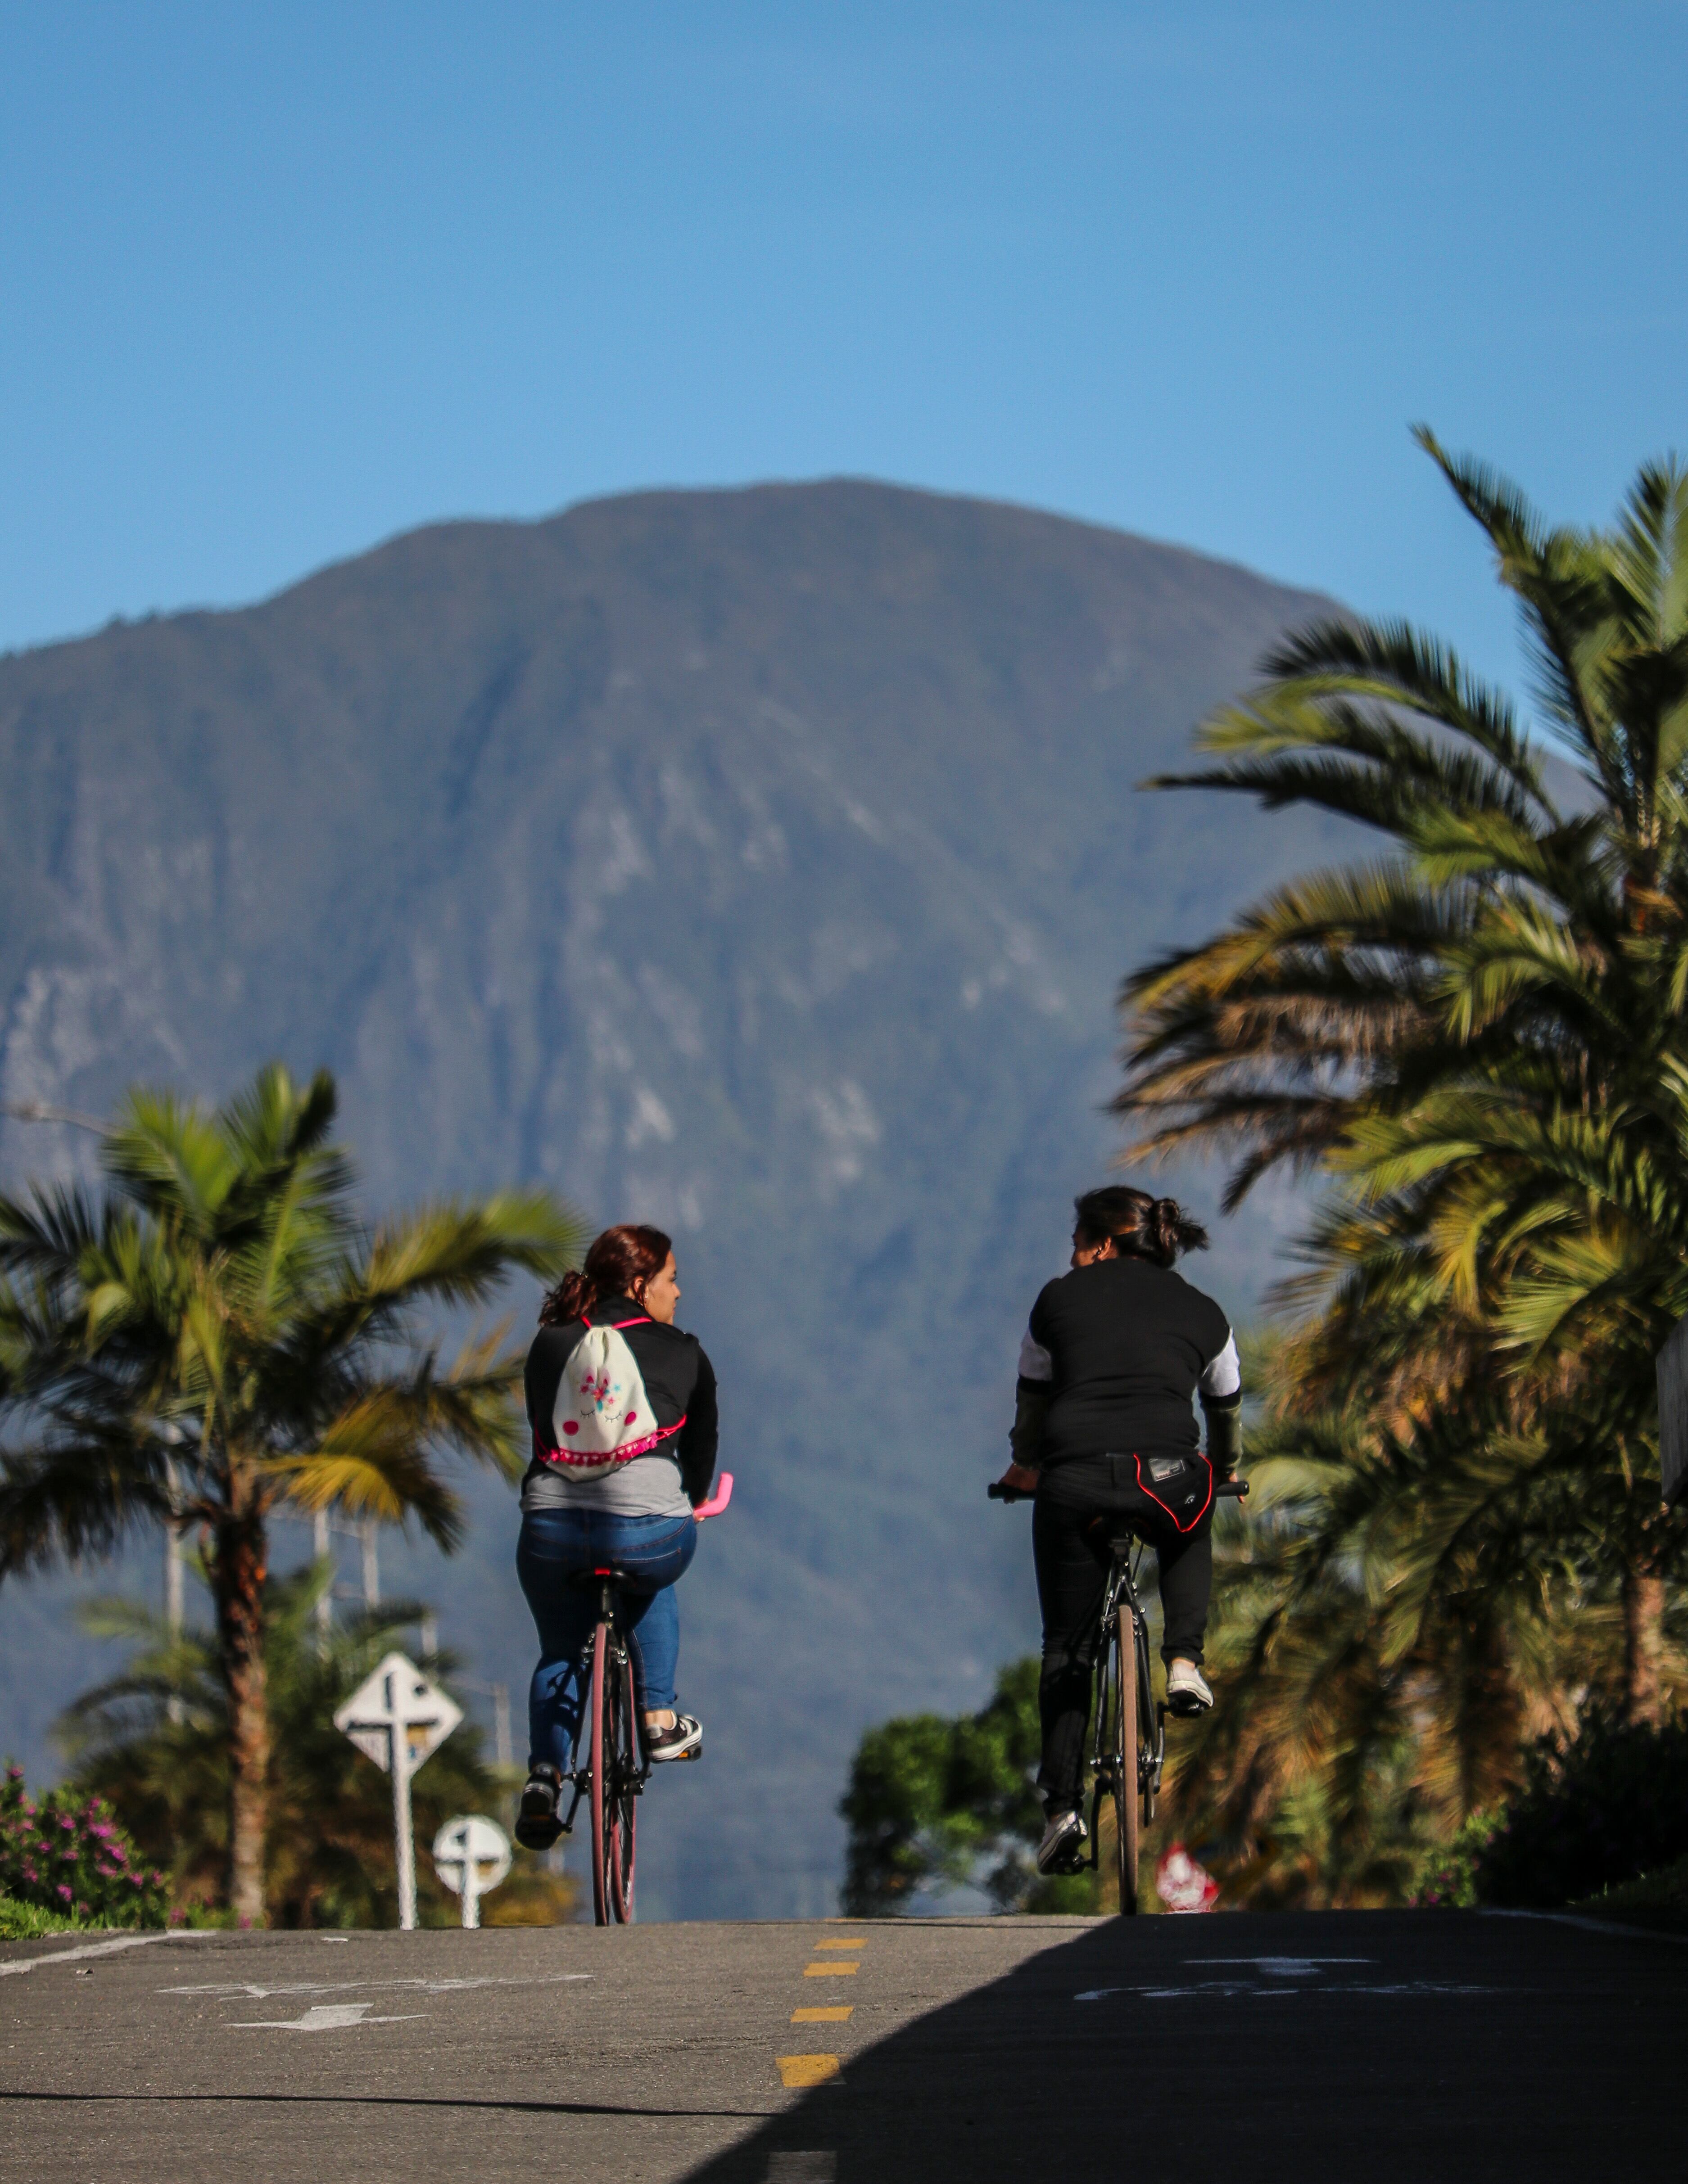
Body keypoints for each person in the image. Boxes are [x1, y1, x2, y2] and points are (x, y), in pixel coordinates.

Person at [994, 1185, 1242, 1876]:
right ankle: (1184, 1662)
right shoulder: (1204, 1312)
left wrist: (1022, 1468)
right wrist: (1221, 1472)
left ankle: (1062, 1810)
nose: (1071, 1258)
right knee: (1191, 1524)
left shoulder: (1054, 1302)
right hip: (1168, 1477)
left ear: (1102, 1244)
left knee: (1065, 1645)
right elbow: (1224, 1406)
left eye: (1077, 1243)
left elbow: (1032, 1406)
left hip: (1073, 1481)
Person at [513, 1222, 719, 1851]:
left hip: (550, 1530)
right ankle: (657, 1718)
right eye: (671, 1279)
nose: (678, 1294)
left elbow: (544, 1435)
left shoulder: (549, 1344)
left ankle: (545, 1780)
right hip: (647, 1535)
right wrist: (693, 1505)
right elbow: (700, 1456)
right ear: (639, 1284)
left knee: (558, 1650)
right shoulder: (685, 1352)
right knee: (658, 1569)